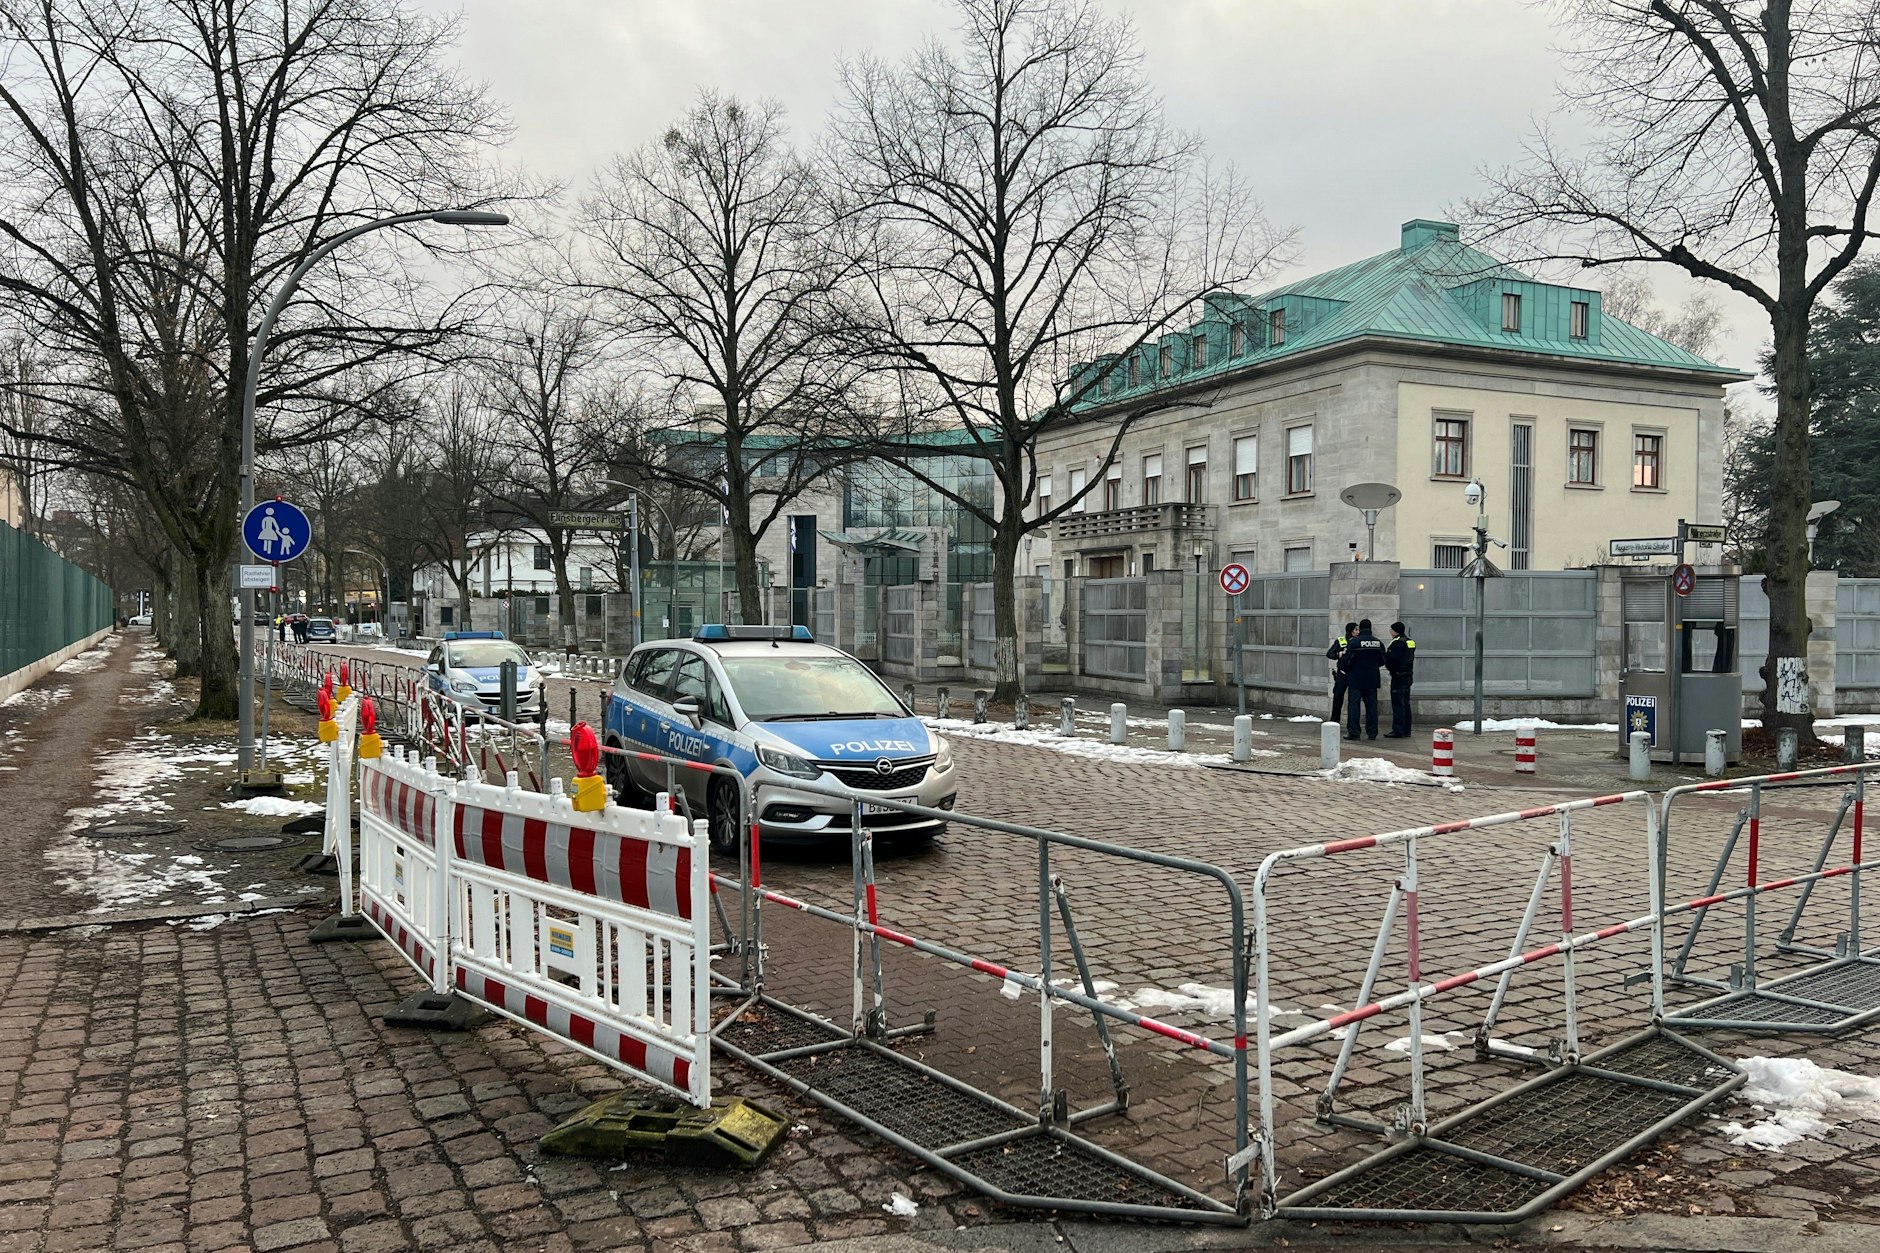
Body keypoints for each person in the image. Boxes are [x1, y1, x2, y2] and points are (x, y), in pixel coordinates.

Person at [1344, 618, 1387, 740]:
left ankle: (1354, 732)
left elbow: (1346, 660)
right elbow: (1383, 660)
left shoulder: (1354, 642)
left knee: (1354, 706)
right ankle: (1372, 732)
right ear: (1370, 628)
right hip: (1372, 679)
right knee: (1372, 707)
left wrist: (1347, 669)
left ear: (1361, 628)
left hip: (1356, 679)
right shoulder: (1378, 643)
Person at [1385, 620, 1417, 738]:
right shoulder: (1409, 642)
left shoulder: (1397, 643)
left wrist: (1390, 668)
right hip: (1408, 675)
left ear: (1395, 631)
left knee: (1398, 703)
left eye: (1391, 630)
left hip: (1398, 676)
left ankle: (1398, 730)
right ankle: (1406, 729)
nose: (1390, 632)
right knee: (1406, 703)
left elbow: (1392, 659)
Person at [1326, 621, 1357, 723]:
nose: (1358, 632)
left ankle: (1352, 724)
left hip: (1354, 673)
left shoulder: (1358, 641)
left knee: (1353, 700)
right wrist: (1338, 654)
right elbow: (1330, 653)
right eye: (1356, 630)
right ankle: (1334, 721)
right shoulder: (1341, 640)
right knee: (1338, 697)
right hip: (1342, 674)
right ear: (1350, 631)